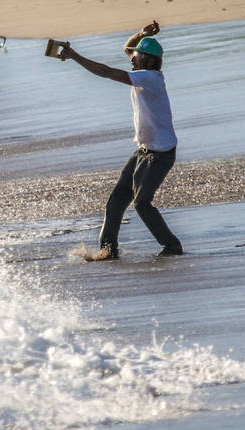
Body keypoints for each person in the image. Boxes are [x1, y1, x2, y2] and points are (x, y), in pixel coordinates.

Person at [58, 21, 184, 260]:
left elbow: (106, 72)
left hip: (160, 154)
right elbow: (128, 48)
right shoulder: (143, 71)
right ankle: (108, 251)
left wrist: (74, 55)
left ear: (148, 60)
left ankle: (172, 245)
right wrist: (141, 35)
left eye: (136, 57)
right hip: (144, 151)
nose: (131, 59)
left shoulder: (150, 78)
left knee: (142, 203)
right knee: (116, 201)